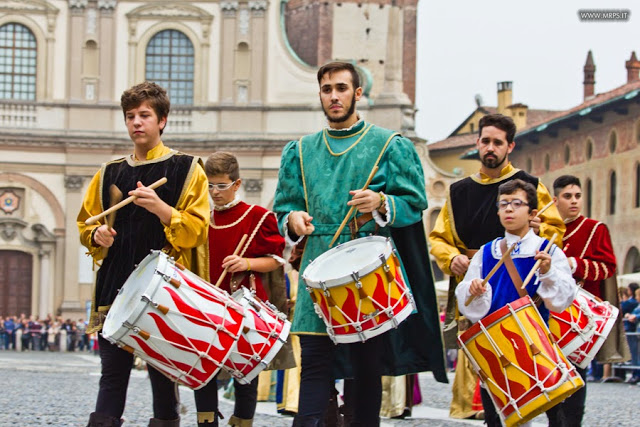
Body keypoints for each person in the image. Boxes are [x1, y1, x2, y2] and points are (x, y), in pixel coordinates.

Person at [273, 61, 446, 426]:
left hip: (366, 275)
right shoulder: (300, 151)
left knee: (366, 371)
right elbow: (284, 205)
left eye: (341, 88)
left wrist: (382, 203)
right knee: (315, 365)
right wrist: (292, 219)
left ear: (357, 94)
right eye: (326, 89)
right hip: (316, 272)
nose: (333, 96)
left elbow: (415, 203)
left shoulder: (388, 146)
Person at [77, 81, 209, 427]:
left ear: (162, 120)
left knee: (162, 377)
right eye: (131, 116)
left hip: (162, 291)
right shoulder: (108, 172)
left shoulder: (187, 168)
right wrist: (97, 234)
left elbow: (196, 231)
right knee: (112, 374)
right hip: (115, 286)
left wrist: (163, 210)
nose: (137, 122)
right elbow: (85, 224)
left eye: (145, 115)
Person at [428, 113, 565, 419]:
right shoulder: (458, 191)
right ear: (477, 143)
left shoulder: (530, 185)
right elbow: (438, 238)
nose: (490, 147)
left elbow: (555, 231)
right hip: (480, 284)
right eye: (485, 141)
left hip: (524, 287)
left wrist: (539, 230)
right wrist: (452, 258)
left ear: (510, 146)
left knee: (539, 363)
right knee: (490, 366)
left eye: (497, 142)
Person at [456, 179, 577, 427]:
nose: (509, 209)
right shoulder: (486, 252)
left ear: (533, 213)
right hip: (497, 349)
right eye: (504, 204)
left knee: (555, 415)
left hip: (538, 347)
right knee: (495, 418)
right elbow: (467, 302)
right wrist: (474, 289)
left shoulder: (548, 251)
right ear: (498, 211)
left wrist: (547, 272)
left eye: (516, 203)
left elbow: (562, 300)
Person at [193, 151, 286, 427]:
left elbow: (275, 260)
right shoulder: (201, 218)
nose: (214, 192)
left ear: (237, 184)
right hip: (208, 308)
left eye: (221, 185)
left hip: (245, 310)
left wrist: (246, 262)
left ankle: (243, 422)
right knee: (204, 372)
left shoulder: (257, 216)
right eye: (210, 185)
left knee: (246, 374)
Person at [546, 174, 626, 425]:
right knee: (550, 378)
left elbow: (608, 268)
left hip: (580, 319)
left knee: (576, 378)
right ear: (555, 199)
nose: (574, 201)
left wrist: (575, 265)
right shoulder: (546, 231)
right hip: (548, 316)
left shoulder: (594, 229)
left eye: (578, 196)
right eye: (567, 196)